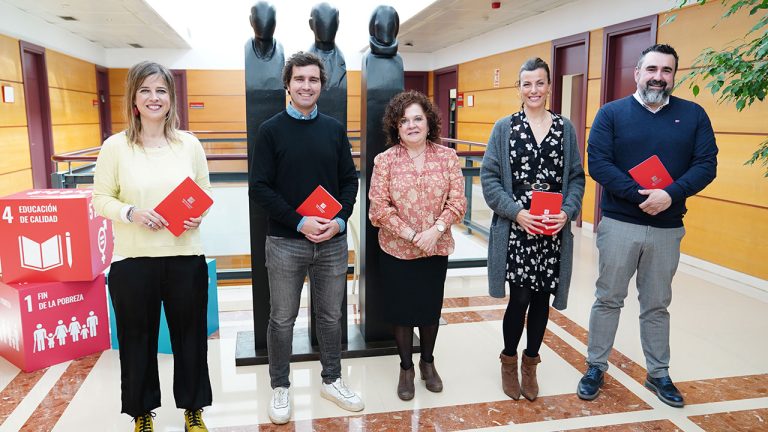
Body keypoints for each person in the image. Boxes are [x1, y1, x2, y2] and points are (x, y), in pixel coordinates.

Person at [577, 44, 717, 407]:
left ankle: (659, 373)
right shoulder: (611, 114)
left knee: (657, 304)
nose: (658, 76)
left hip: (668, 227)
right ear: (637, 73)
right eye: (651, 68)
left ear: (674, 76)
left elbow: (706, 165)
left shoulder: (693, 115)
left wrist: (670, 195)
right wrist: (642, 197)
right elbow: (599, 164)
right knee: (608, 299)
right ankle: (595, 366)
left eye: (666, 70)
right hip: (621, 223)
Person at [93, 61, 212, 432]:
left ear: (171, 98)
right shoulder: (116, 147)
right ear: (134, 98)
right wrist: (132, 212)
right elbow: (100, 199)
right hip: (133, 261)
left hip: (184, 257)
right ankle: (142, 414)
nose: (153, 97)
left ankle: (193, 410)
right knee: (136, 340)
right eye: (145, 90)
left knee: (190, 339)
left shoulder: (189, 145)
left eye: (160, 90)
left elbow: (204, 191)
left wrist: (196, 217)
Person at [249, 51, 362, 425]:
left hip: (330, 242)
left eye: (313, 80)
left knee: (331, 317)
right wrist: (299, 222)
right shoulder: (270, 131)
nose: (306, 86)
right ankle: (280, 385)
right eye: (299, 79)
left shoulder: (333, 128)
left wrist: (340, 220)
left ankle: (332, 379)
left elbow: (349, 181)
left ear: (321, 85)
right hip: (285, 242)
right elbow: (260, 189)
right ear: (288, 83)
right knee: (282, 319)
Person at [481, 57, 585, 402]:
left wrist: (567, 213)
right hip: (518, 231)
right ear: (519, 88)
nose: (534, 90)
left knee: (542, 300)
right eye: (527, 84)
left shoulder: (564, 129)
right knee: (520, 298)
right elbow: (490, 179)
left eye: (540, 83)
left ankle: (531, 363)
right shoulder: (504, 128)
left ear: (549, 86)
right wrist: (517, 213)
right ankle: (509, 360)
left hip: (552, 232)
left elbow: (575, 179)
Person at [369, 90, 466, 401]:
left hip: (435, 249)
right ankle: (406, 367)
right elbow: (378, 209)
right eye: (404, 120)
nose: (411, 125)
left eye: (417, 119)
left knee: (428, 309)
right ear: (396, 127)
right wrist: (413, 236)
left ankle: (427, 362)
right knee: (401, 311)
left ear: (429, 122)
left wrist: (435, 231)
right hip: (397, 250)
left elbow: (458, 202)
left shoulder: (448, 157)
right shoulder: (384, 161)